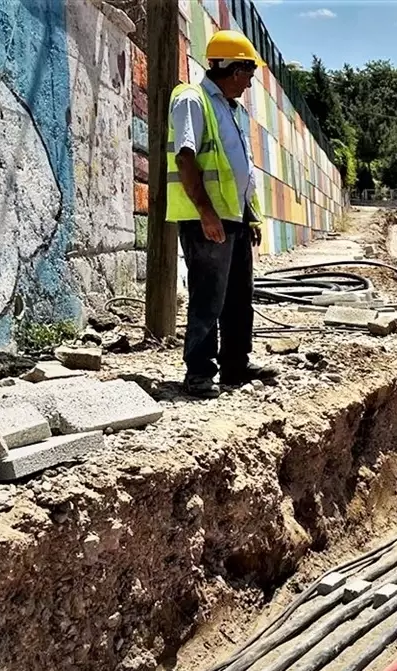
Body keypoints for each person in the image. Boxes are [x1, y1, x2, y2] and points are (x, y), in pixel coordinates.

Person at [167, 29, 278, 399]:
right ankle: (199, 373)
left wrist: (252, 216)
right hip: (208, 219)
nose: (248, 84)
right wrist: (206, 213)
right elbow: (186, 157)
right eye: (248, 74)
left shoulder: (229, 108)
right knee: (207, 298)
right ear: (232, 69)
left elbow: (238, 168)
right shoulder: (191, 99)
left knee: (237, 297)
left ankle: (235, 365)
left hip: (235, 218)